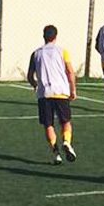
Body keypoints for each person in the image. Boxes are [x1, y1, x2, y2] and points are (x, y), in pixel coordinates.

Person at [27, 25, 77, 165]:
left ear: (44, 36)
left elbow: (30, 75)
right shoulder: (62, 51)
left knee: (48, 125)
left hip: (44, 94)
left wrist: (35, 85)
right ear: (56, 36)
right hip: (61, 92)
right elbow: (70, 71)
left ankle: (56, 153)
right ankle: (66, 142)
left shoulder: (36, 53)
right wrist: (72, 89)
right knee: (65, 122)